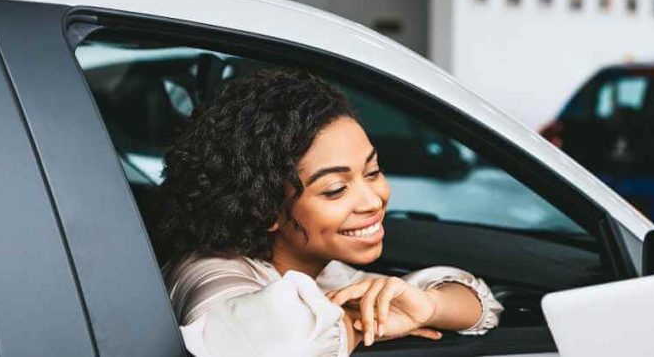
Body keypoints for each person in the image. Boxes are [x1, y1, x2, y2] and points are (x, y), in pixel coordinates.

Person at [157, 68, 503, 357]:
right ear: (265, 208)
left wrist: (428, 307)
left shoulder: (321, 268)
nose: (372, 200)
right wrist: (361, 324)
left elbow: (482, 304)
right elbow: (269, 344)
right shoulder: (208, 273)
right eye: (336, 189)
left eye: (372, 172)